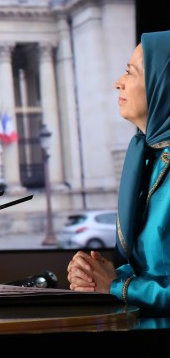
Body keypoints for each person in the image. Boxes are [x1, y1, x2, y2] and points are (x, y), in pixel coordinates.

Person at [67, 30, 170, 316]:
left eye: (130, 72)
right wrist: (95, 275)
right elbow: (150, 268)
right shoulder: (152, 160)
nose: (118, 83)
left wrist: (115, 285)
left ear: (163, 84)